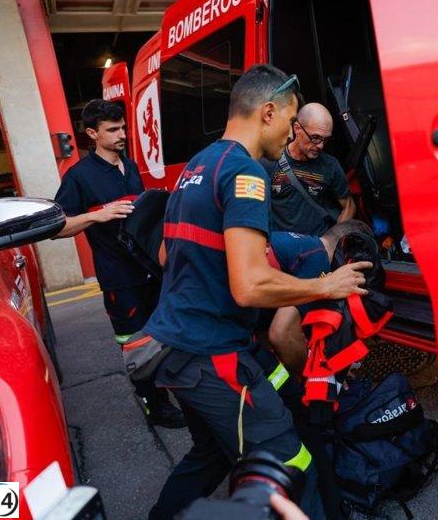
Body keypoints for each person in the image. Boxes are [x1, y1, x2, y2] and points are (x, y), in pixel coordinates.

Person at [142, 65, 371, 519]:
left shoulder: (198, 165)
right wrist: (324, 286)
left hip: (175, 347)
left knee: (211, 456)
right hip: (212, 355)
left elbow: (169, 257)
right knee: (287, 461)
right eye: (290, 123)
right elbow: (248, 286)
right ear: (268, 113)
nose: (290, 136)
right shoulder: (247, 173)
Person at [53, 99, 184, 429]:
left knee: (164, 333)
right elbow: (57, 227)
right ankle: (155, 404)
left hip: (151, 269)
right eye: (113, 130)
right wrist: (97, 214)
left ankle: (179, 390)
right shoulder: (79, 177)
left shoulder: (131, 165)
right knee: (134, 342)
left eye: (123, 127)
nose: (123, 133)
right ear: (93, 134)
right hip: (119, 278)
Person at [266, 220, 374, 373]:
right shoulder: (318, 261)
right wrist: (315, 375)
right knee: (286, 385)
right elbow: (281, 334)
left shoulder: (306, 246)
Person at [261, 103, 355, 236]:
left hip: (317, 246)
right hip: (283, 248)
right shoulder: (270, 162)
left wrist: (332, 241)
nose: (320, 146)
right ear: (297, 129)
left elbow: (349, 206)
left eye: (325, 140)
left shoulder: (330, 165)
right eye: (315, 138)